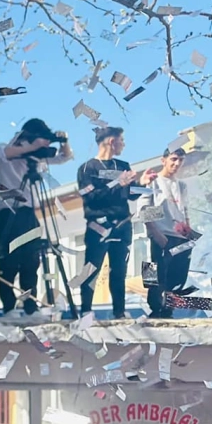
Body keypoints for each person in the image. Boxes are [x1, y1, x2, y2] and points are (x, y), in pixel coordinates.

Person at [0, 118, 74, 316]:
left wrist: (63, 141)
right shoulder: (6, 149)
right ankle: (9, 307)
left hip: (28, 212)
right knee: (8, 260)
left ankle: (30, 306)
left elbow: (64, 157)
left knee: (31, 259)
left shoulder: (36, 158)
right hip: (7, 212)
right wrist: (29, 147)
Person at [77, 125, 135, 317]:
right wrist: (118, 183)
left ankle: (120, 312)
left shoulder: (123, 166)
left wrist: (143, 184)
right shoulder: (87, 168)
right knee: (91, 268)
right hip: (98, 226)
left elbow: (130, 194)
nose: (124, 145)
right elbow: (91, 197)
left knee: (119, 270)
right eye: (122, 140)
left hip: (122, 225)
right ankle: (85, 312)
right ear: (112, 141)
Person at [139, 146, 197, 318]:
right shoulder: (154, 181)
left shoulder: (182, 185)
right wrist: (155, 233)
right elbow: (143, 208)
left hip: (181, 237)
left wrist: (189, 231)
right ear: (163, 160)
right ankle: (155, 309)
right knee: (155, 273)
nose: (177, 163)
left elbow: (184, 210)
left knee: (178, 276)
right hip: (161, 235)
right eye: (173, 159)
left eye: (180, 160)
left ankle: (168, 310)